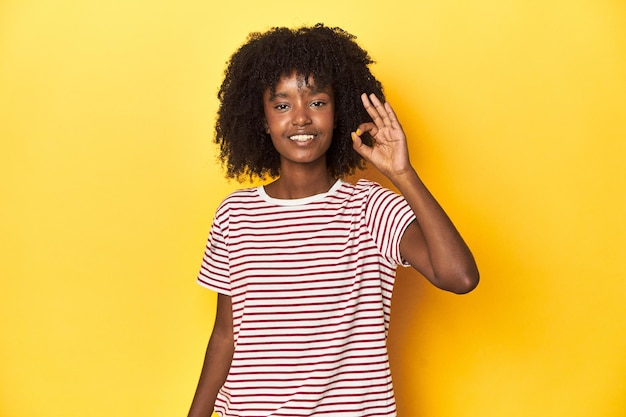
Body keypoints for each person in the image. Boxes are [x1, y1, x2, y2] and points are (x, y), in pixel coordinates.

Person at [188, 24, 479, 417]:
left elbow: (459, 277)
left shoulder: (372, 209)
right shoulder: (235, 214)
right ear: (261, 119)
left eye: (318, 102)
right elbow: (226, 335)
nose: (302, 119)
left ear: (339, 112)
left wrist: (402, 173)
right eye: (282, 105)